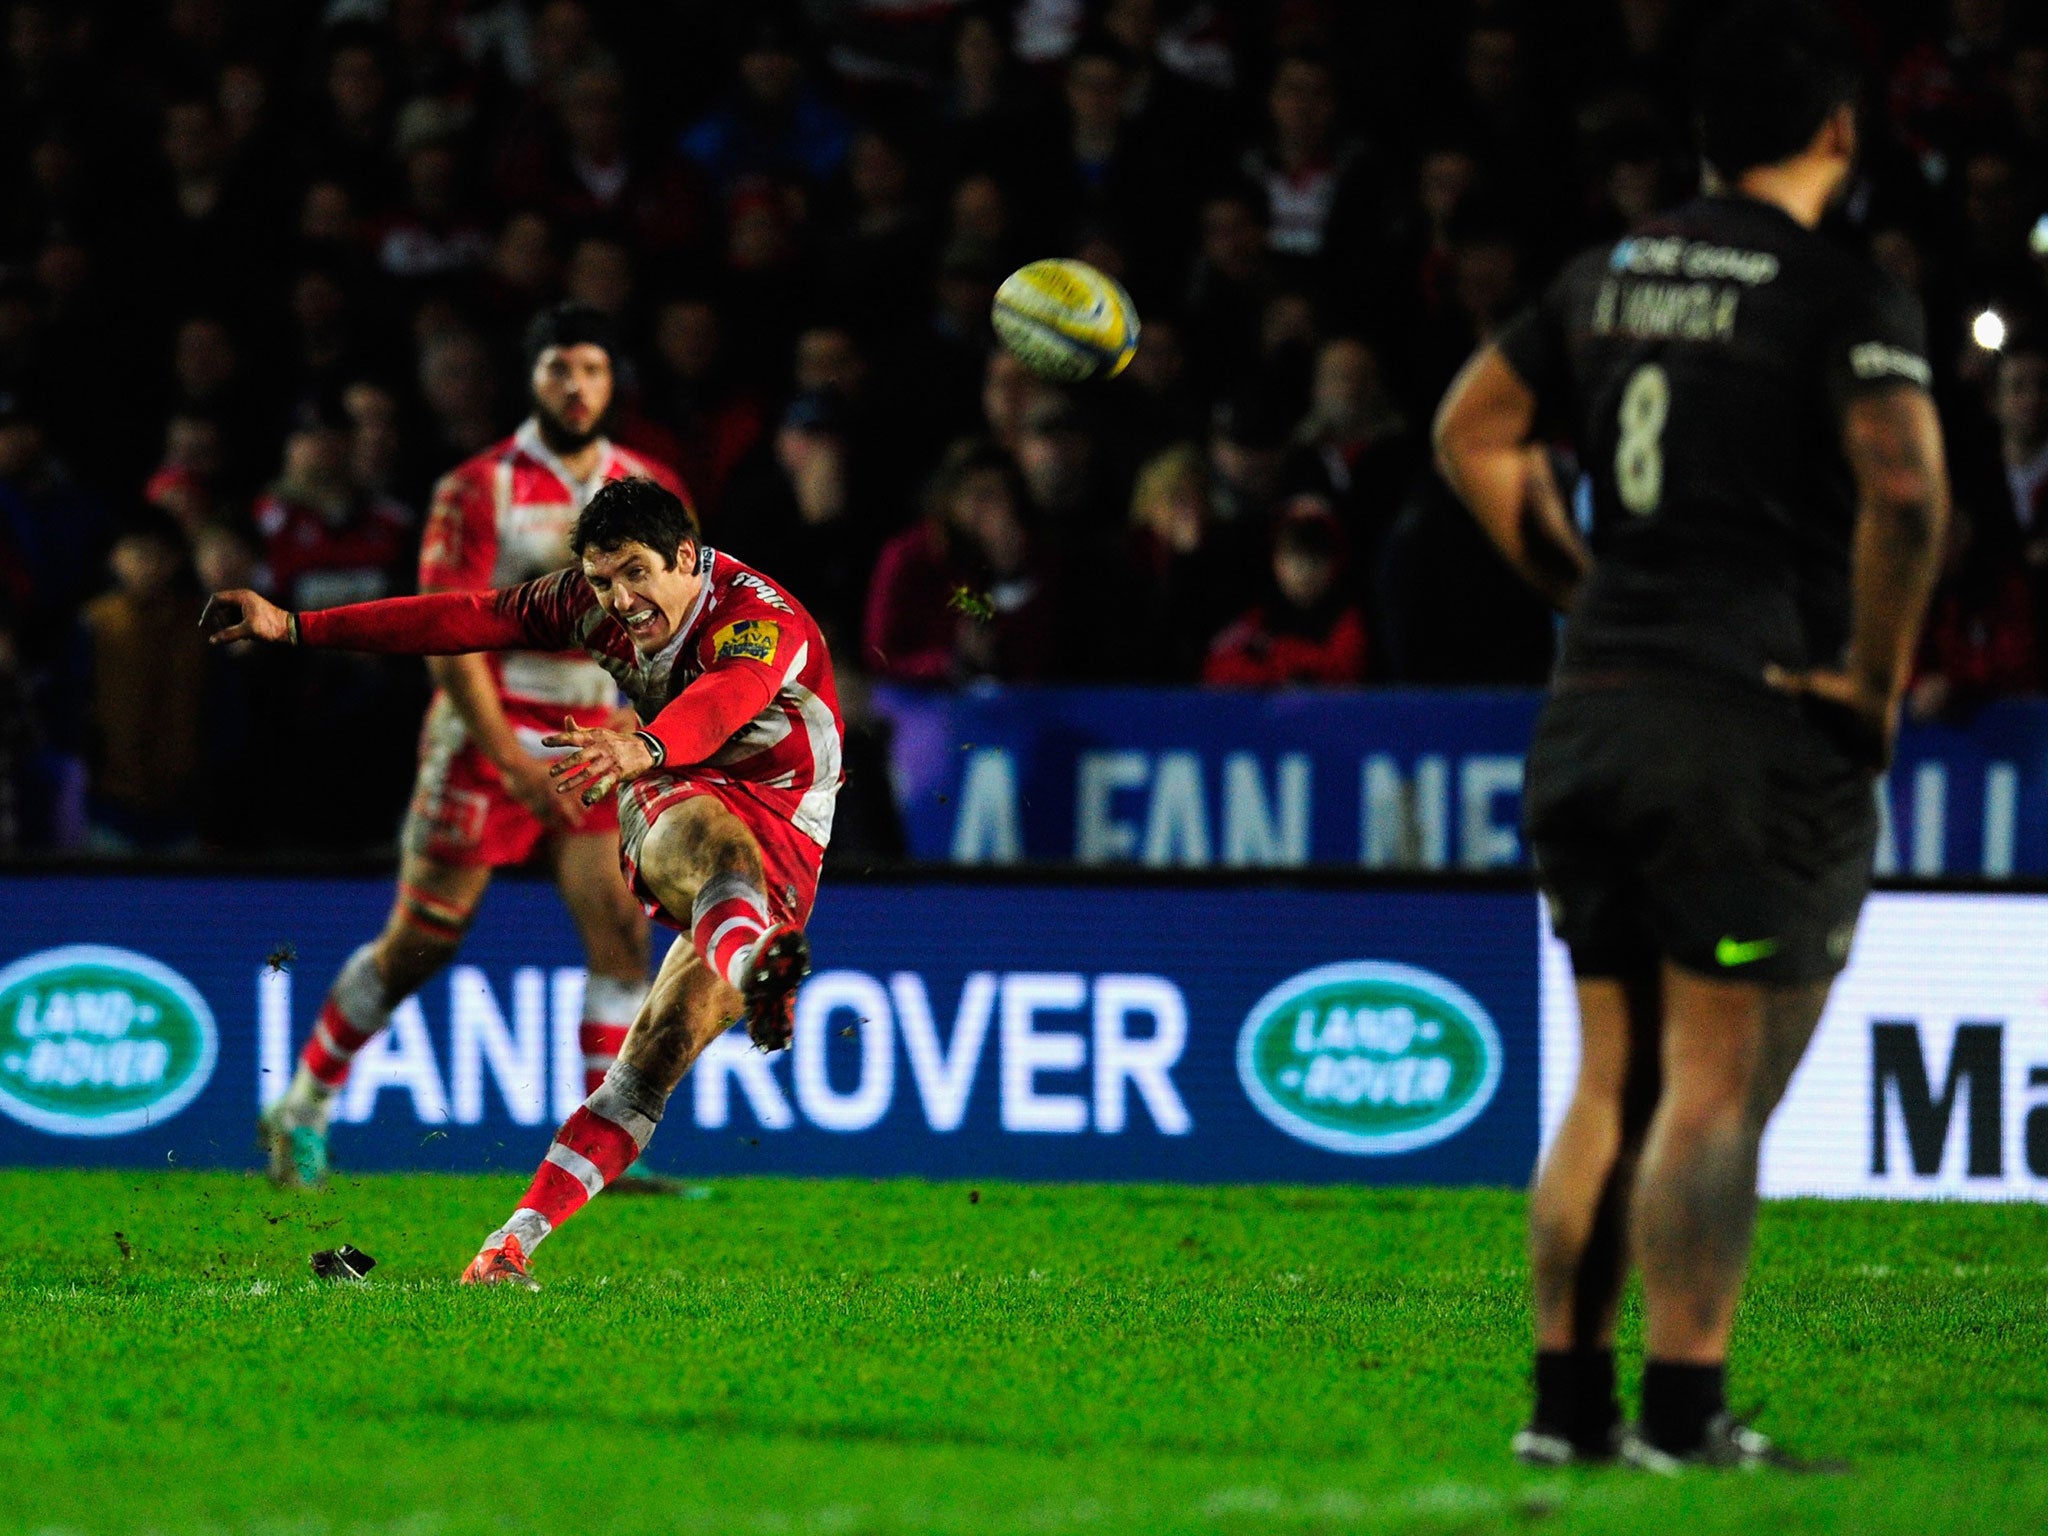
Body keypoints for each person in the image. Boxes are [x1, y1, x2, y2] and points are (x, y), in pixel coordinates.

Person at [1433, 2, 1950, 1470]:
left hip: (1592, 709)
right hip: (1747, 717)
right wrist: (1873, 680)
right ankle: (1683, 1410)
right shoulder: (1839, 290)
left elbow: (1470, 429)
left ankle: (1566, 1412)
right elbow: (1906, 489)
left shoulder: (1607, 275)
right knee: (1713, 1083)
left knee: (1613, 1076)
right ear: (1839, 133)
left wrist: (1580, 592)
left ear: (1709, 143)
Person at [206, 473, 841, 1288]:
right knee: (707, 842)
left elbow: (729, 698)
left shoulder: (761, 619)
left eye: (638, 573)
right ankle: (759, 968)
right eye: (605, 579)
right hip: (672, 782)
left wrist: (644, 745)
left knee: (656, 1056)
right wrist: (294, 625)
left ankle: (504, 1249)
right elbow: (465, 617)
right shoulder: (583, 599)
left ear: (688, 557)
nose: (619, 599)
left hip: (783, 817)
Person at [252, 304, 688, 1191]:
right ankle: (301, 1104)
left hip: (597, 737)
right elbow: (449, 633)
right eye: (560, 369)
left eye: (593, 370)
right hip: (488, 736)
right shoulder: (477, 487)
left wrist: (640, 732)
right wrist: (515, 763)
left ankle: (608, 1151)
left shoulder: (648, 485)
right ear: (530, 380)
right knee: (422, 942)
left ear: (615, 383)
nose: (576, 387)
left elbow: (677, 623)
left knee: (618, 936)